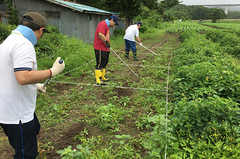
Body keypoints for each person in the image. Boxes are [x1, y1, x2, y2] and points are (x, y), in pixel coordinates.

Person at [0, 12, 65, 159]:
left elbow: (7, 73)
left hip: (8, 109)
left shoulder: (8, 41)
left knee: (35, 128)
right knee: (26, 154)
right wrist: (52, 72)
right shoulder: (24, 44)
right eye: (42, 34)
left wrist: (35, 86)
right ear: (41, 30)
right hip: (18, 114)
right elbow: (23, 77)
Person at [93, 15, 119, 85]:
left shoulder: (107, 26)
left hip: (105, 47)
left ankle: (103, 77)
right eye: (114, 23)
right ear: (112, 20)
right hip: (99, 47)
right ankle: (98, 79)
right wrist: (107, 43)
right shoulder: (103, 24)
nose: (113, 25)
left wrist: (107, 45)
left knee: (104, 62)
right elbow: (100, 34)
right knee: (100, 63)